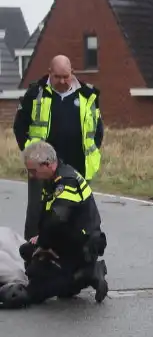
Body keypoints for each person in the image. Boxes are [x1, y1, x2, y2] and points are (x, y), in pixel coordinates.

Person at [0, 141, 109, 310]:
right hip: (66, 239)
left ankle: (89, 272)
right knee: (28, 257)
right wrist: (40, 242)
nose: (31, 175)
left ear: (48, 164)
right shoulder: (52, 179)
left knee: (33, 292)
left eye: (33, 170)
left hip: (80, 244)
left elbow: (57, 221)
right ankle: (73, 276)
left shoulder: (66, 182)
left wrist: (45, 245)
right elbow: (47, 218)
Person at [12, 55, 104, 241]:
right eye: (57, 77)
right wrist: (32, 155)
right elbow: (19, 127)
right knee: (38, 211)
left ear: (72, 73)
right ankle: (34, 253)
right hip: (42, 167)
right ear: (49, 73)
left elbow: (97, 130)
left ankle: (75, 254)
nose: (62, 81)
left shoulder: (88, 96)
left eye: (65, 76)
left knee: (76, 213)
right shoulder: (35, 94)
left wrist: (92, 151)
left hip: (77, 166)